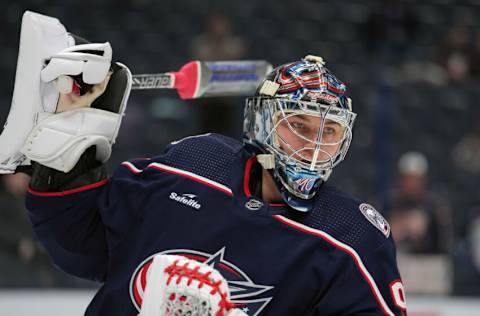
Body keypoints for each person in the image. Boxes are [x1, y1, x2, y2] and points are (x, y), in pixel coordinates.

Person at [5, 13, 406, 315]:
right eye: (297, 125)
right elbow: (84, 248)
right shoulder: (194, 162)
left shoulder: (355, 237)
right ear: (263, 124)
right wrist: (68, 157)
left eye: (328, 131)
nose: (312, 145)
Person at [386, 151, 452, 254]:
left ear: (424, 180)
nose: (412, 184)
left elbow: (444, 242)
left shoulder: (434, 205)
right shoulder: (388, 202)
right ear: (400, 179)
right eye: (408, 178)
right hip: (399, 257)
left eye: (416, 179)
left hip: (428, 260)